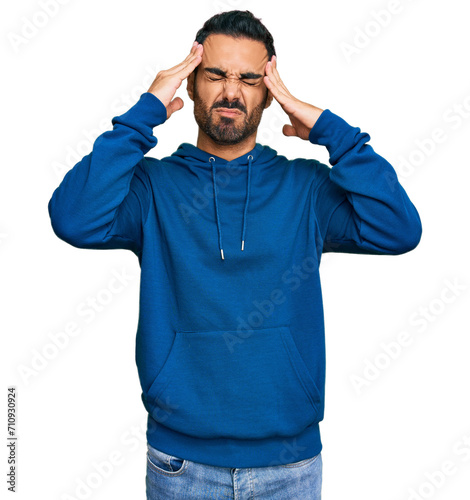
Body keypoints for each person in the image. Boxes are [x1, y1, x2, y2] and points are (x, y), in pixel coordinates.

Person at [47, 9, 422, 500]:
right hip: (181, 464)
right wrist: (145, 113)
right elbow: (73, 218)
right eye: (216, 75)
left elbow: (399, 229)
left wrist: (335, 134)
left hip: (290, 464)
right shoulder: (152, 188)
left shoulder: (304, 189)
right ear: (193, 82)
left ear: (268, 92)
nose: (231, 91)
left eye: (248, 79)